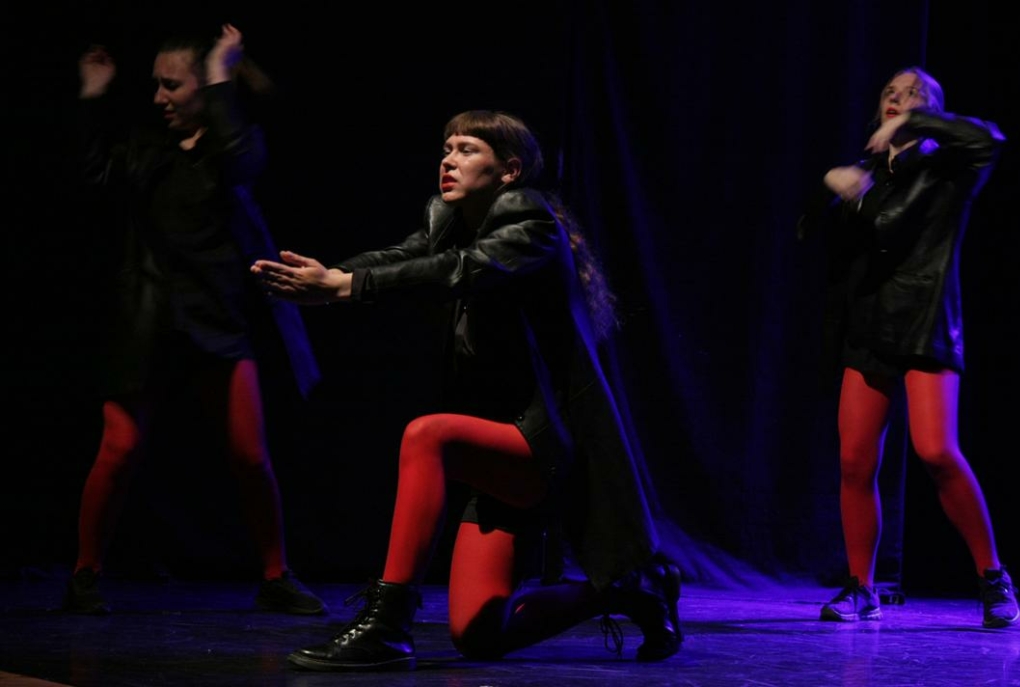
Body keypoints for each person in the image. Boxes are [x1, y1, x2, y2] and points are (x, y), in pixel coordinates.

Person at [251, 109, 683, 670]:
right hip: (498, 446)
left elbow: (464, 268)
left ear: (509, 170)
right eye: (446, 148)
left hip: (546, 438)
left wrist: (346, 286)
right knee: (478, 637)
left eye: (467, 149)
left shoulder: (531, 221)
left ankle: (387, 626)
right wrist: (328, 280)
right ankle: (628, 591)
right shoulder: (449, 219)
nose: (448, 160)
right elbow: (405, 258)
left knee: (427, 436)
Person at [64, 23, 325, 616]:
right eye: (156, 84)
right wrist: (93, 95)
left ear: (204, 89)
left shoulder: (233, 147)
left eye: (172, 85)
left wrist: (220, 80)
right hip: (147, 317)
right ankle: (83, 575)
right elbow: (93, 175)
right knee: (119, 448)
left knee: (250, 454)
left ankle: (276, 576)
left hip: (215, 318)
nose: (159, 97)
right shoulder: (143, 149)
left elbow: (238, 163)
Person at [797, 66, 1020, 628]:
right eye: (891, 94)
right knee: (854, 461)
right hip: (869, 322)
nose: (900, 99)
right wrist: (828, 187)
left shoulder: (950, 165)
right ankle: (861, 588)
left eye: (915, 94)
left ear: (932, 110)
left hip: (924, 319)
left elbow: (989, 138)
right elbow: (806, 232)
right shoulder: (868, 173)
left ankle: (994, 578)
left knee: (936, 451)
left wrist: (917, 122)